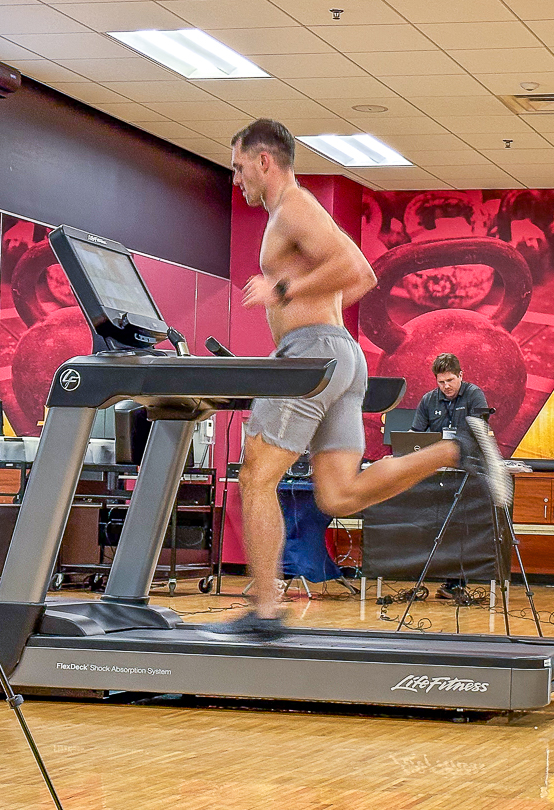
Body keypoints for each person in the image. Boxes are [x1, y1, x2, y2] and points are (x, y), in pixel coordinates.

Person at [218, 119, 510, 638]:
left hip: (311, 357)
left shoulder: (293, 205)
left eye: (239, 167)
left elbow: (357, 268)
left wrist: (283, 292)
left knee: (254, 479)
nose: (236, 179)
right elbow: (352, 279)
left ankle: (265, 612)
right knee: (339, 495)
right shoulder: (291, 213)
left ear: (265, 161)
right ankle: (454, 449)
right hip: (339, 355)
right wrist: (307, 302)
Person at [411, 352, 490, 601]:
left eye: (450, 381)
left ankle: (456, 583)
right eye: (441, 382)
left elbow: (478, 434)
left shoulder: (475, 395)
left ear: (461, 376)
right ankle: (427, 578)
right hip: (437, 474)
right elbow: (415, 435)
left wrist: (451, 451)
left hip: (467, 473)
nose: (446, 386)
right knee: (429, 525)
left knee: (460, 528)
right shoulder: (427, 400)